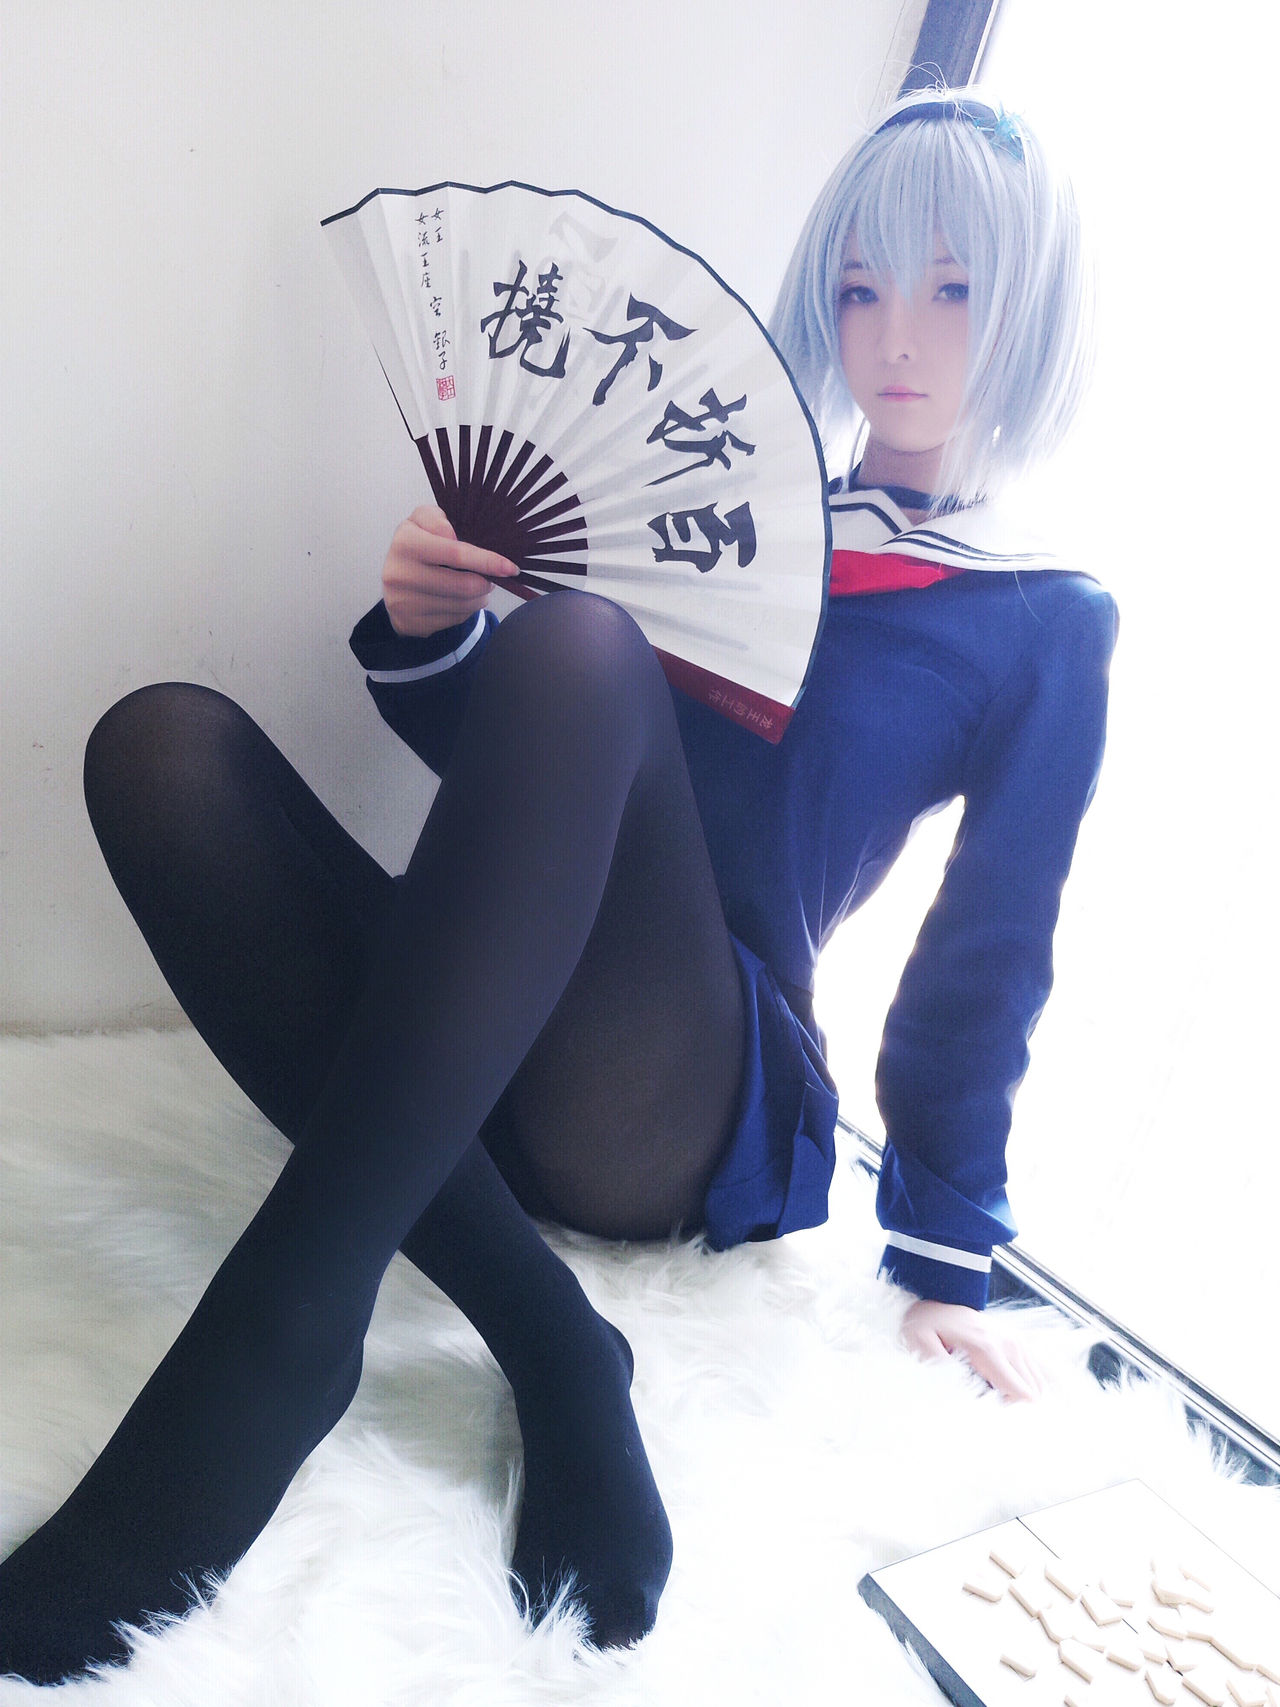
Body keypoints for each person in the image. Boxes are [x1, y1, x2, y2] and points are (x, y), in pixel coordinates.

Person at [0, 85, 1116, 1684]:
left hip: (683, 1088)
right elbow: (528, 789)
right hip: (489, 1014)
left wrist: (948, 1255)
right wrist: (434, 629)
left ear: (1030, 311)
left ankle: (282, 1329)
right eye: (862, 285)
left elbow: (988, 953)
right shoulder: (726, 499)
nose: (896, 337)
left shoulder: (1042, 617)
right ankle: (553, 1338)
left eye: (952, 288)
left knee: (583, 649)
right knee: (158, 750)